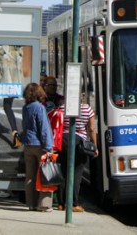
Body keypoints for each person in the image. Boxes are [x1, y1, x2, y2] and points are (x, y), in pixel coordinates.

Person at [58, 93, 97, 213]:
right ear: (82, 97)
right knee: (77, 173)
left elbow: (58, 125)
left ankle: (61, 203)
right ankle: (73, 204)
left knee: (63, 172)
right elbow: (91, 129)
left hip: (63, 141)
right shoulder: (87, 109)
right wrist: (95, 146)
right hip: (79, 142)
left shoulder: (62, 108)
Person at [21, 83, 54, 212]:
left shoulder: (26, 107)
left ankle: (31, 203)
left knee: (30, 176)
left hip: (28, 145)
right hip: (40, 145)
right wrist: (48, 147)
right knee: (45, 175)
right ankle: (44, 204)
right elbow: (44, 128)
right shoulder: (39, 108)